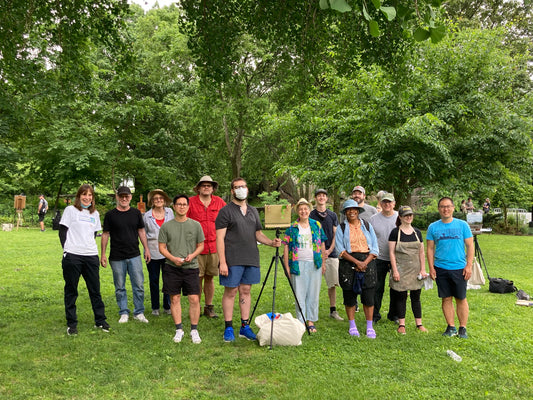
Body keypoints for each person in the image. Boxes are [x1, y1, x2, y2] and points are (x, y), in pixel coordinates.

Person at [215, 177, 282, 342]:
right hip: (232, 259)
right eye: (237, 187)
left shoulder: (252, 211)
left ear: (247, 189)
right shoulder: (225, 211)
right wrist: (222, 262)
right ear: (232, 191)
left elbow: (258, 234)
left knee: (246, 291)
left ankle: (244, 326)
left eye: (243, 186)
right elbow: (219, 238)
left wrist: (271, 243)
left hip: (251, 258)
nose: (240, 189)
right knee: (231, 291)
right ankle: (228, 327)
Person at [59, 184, 109, 335]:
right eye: (84, 194)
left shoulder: (95, 214)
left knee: (95, 290)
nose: (87, 198)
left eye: (90, 195)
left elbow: (93, 234)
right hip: (73, 256)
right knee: (71, 290)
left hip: (91, 256)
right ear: (79, 196)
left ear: (92, 198)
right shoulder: (70, 210)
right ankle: (72, 324)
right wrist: (67, 249)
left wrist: (87, 247)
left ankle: (100, 321)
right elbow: (62, 231)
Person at [158, 195, 205, 344]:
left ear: (188, 206)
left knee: (194, 298)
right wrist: (173, 258)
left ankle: (194, 329)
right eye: (179, 204)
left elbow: (201, 245)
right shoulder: (166, 226)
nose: (182, 207)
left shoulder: (196, 225)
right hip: (172, 267)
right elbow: (161, 247)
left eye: (184, 204)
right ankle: (179, 329)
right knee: (175, 298)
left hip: (191, 267)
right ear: (174, 206)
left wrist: (192, 255)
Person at [101, 186, 151, 324]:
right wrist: (103, 254)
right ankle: (123, 312)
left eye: (127, 196)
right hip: (116, 256)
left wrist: (146, 249)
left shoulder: (136, 213)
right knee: (120, 287)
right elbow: (105, 234)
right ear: (117, 197)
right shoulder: (110, 215)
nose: (124, 198)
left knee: (139, 285)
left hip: (134, 255)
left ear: (130, 197)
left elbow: (141, 231)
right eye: (121, 196)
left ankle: (139, 312)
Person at [427, 197, 474, 339]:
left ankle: (462, 328)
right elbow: (429, 248)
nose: (445, 209)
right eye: (442, 206)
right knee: (446, 298)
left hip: (459, 267)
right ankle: (451, 327)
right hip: (441, 267)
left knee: (461, 298)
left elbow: (470, 246)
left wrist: (469, 265)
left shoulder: (462, 225)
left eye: (448, 206)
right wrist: (431, 268)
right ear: (439, 209)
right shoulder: (433, 227)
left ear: (453, 208)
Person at [335, 199, 379, 338]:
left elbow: (375, 248)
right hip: (348, 263)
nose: (351, 211)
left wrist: (364, 262)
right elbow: (340, 250)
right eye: (348, 210)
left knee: (369, 295)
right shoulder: (341, 228)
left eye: (354, 209)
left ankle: (369, 326)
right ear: (345, 212)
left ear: (358, 211)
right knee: (349, 295)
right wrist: (356, 262)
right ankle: (352, 325)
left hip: (368, 262)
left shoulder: (367, 225)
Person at [282, 198, 327, 332]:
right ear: (297, 211)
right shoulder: (292, 227)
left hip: (315, 263)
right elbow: (285, 247)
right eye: (301, 209)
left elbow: (322, 243)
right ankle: (301, 321)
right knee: (299, 293)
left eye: (306, 209)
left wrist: (323, 263)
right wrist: (287, 267)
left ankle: (311, 320)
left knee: (313, 293)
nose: (303, 211)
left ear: (309, 210)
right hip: (297, 264)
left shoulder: (316, 225)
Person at [187, 176, 226, 318]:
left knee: (210, 278)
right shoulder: (190, 202)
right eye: (203, 185)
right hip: (196, 248)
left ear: (213, 188)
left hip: (214, 247)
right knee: (197, 278)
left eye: (209, 185)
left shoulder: (220, 202)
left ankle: (208, 307)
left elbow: (227, 221)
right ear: (198, 188)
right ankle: (195, 306)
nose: (206, 187)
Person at [388, 206, 428, 334]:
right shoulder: (395, 232)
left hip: (415, 269)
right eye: (405, 215)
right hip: (401, 269)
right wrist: (395, 271)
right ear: (400, 217)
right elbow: (392, 253)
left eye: (410, 215)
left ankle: (419, 324)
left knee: (416, 297)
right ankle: (402, 324)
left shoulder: (418, 232)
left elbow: (422, 252)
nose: (409, 217)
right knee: (401, 297)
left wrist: (423, 269)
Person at [309, 189, 343, 321]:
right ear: (316, 198)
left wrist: (329, 250)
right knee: (313, 283)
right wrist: (320, 252)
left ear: (327, 199)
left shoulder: (333, 215)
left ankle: (333, 310)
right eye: (319, 196)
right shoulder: (311, 215)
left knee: (332, 283)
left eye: (324, 196)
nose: (321, 198)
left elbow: (336, 234)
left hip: (331, 253)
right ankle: (312, 310)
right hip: (315, 254)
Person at [143, 189, 174, 316]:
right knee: (154, 280)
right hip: (153, 251)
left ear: (164, 200)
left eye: (161, 198)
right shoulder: (147, 215)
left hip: (168, 252)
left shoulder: (170, 212)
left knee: (168, 280)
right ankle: (155, 307)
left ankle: (167, 306)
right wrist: (146, 250)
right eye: (155, 199)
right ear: (152, 201)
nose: (158, 200)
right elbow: (143, 234)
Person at [369, 192, 398, 324]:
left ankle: (394, 314)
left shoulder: (399, 217)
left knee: (396, 288)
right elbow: (368, 238)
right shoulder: (373, 219)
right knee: (377, 287)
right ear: (380, 203)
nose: (387, 204)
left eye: (389, 202)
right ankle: (375, 315)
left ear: (394, 204)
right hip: (378, 257)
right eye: (384, 202)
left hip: (397, 258)